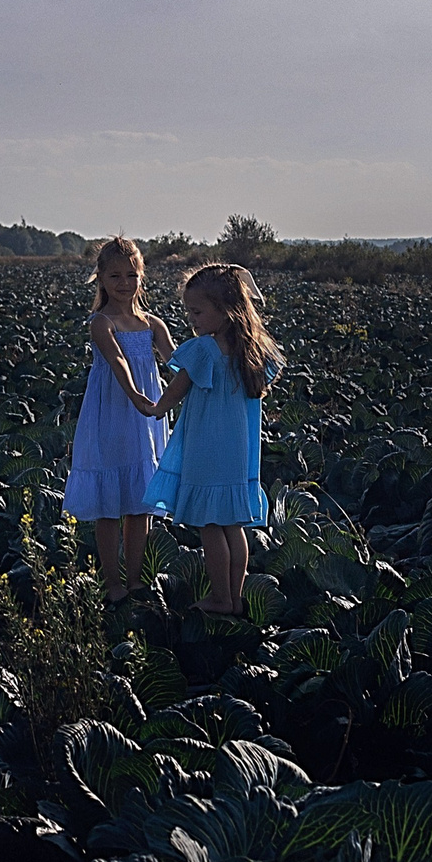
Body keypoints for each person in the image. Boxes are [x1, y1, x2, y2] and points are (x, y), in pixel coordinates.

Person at [123, 262, 281, 616]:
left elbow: (176, 390)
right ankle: (235, 597)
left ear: (225, 310)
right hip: (239, 452)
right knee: (233, 526)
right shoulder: (252, 350)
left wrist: (155, 408)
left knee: (209, 525)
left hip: (206, 449)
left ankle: (220, 598)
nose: (191, 320)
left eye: (197, 312)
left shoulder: (203, 349)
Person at [65, 237, 172, 599]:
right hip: (113, 415)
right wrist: (135, 395)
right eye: (115, 276)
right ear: (100, 278)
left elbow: (178, 363)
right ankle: (112, 583)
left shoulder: (153, 324)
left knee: (140, 505)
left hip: (147, 418)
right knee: (109, 507)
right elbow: (117, 360)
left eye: (131, 275)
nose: (124, 283)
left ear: (142, 277)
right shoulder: (101, 322)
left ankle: (135, 580)